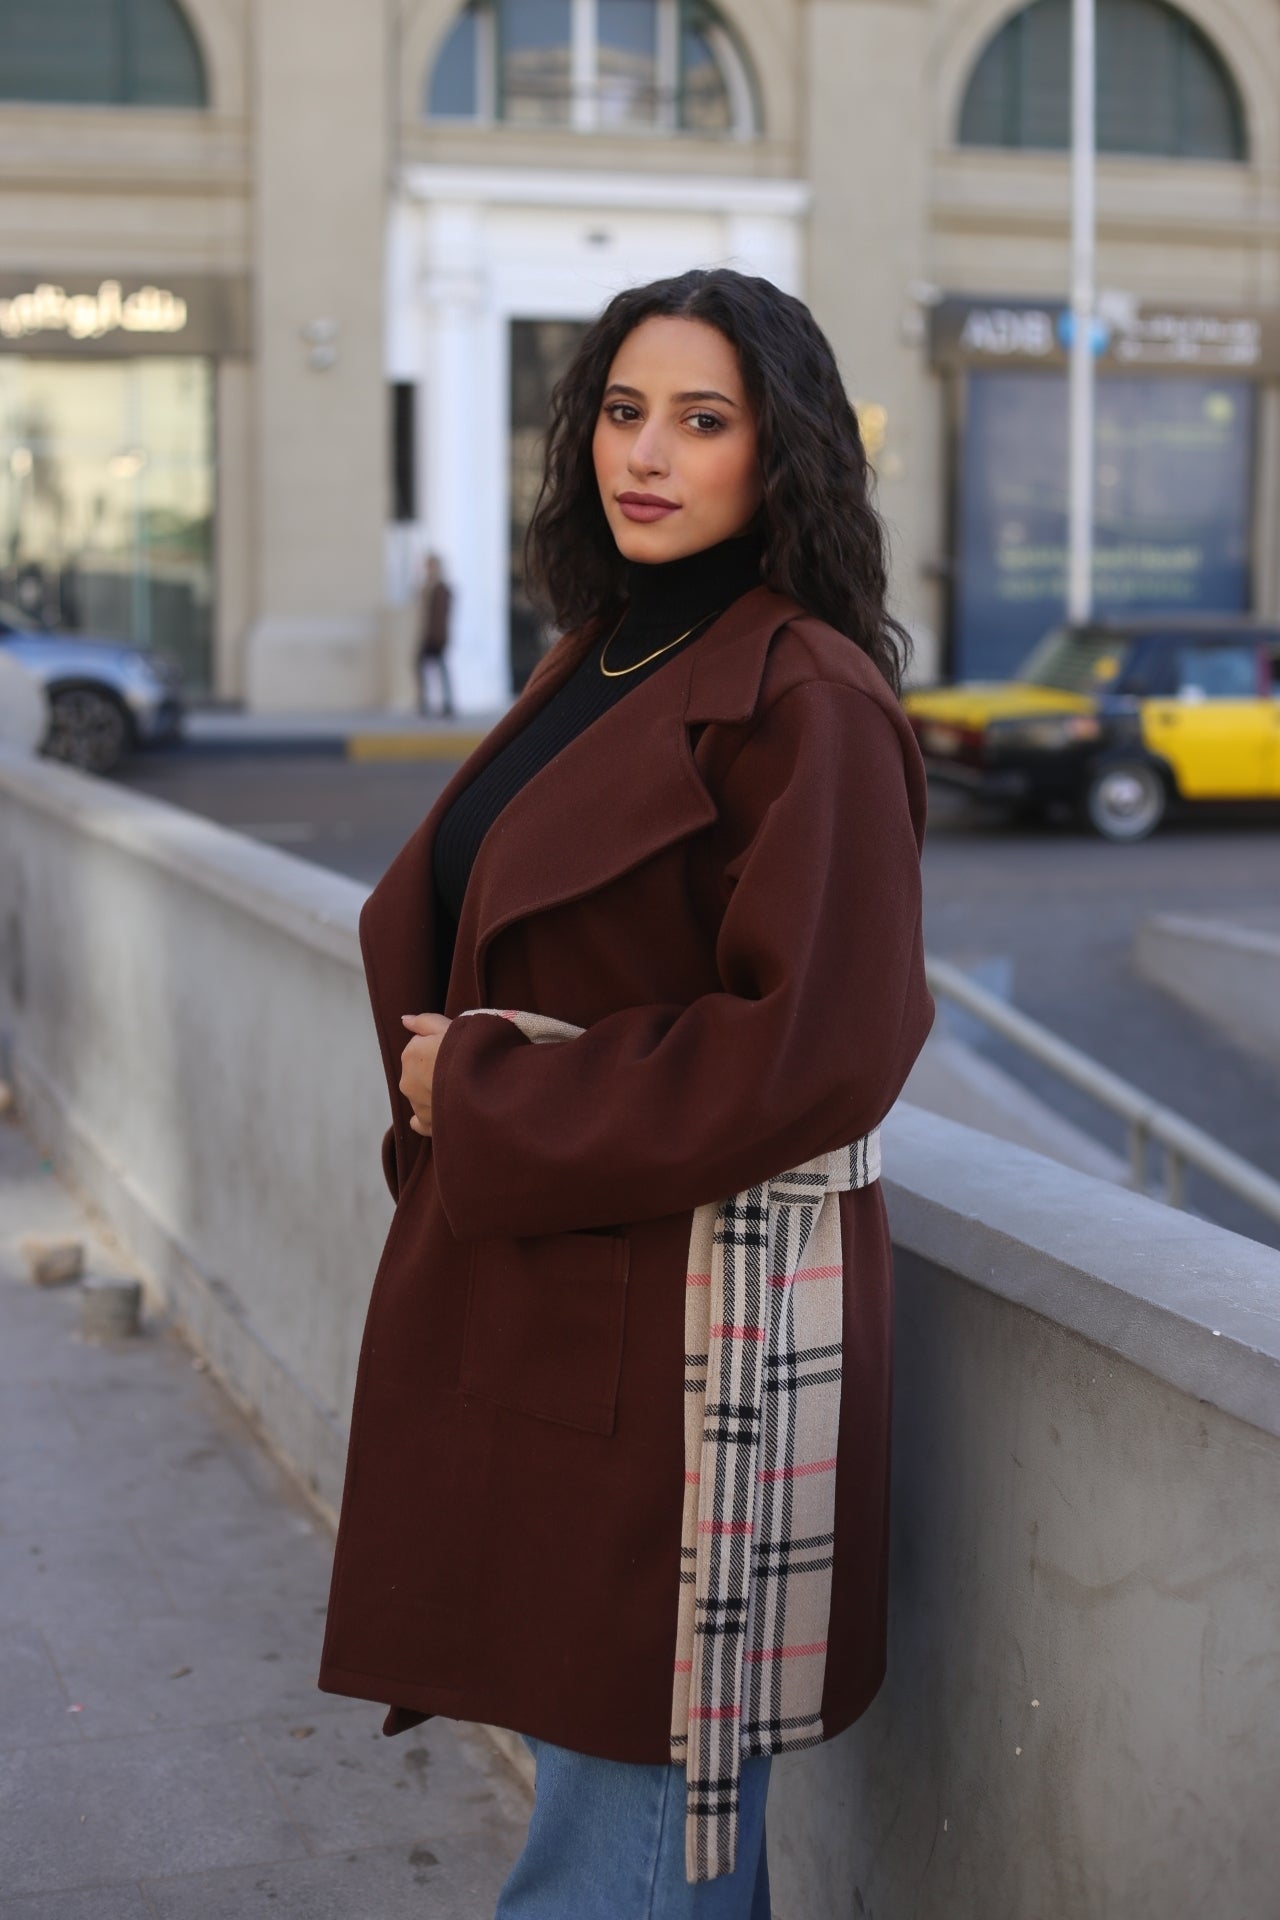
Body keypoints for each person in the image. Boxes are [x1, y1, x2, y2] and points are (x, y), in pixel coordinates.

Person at [318, 267, 934, 1918]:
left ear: (781, 451)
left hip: (699, 1344)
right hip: (564, 1303)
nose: (645, 454)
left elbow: (823, 1044)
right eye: (621, 410)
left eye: (703, 420)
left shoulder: (808, 697)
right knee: (629, 1823)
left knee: (627, 1844)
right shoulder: (605, 654)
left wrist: (497, 1090)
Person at [416, 551, 454, 716]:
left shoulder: (440, 589)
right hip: (430, 634)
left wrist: (438, 636)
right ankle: (432, 702)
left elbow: (441, 616)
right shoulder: (429, 587)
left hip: (436, 636)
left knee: (439, 667)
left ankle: (444, 703)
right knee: (431, 667)